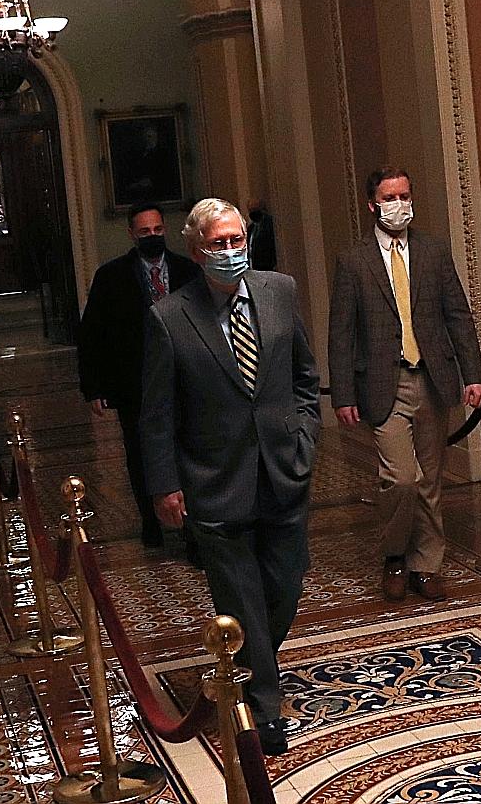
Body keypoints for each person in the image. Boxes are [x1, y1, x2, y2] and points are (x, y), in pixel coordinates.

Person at [140, 198, 320, 757]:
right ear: (197, 252)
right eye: (217, 244)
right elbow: (156, 414)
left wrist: (305, 437)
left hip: (283, 470)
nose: (230, 251)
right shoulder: (169, 316)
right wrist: (165, 485)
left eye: (237, 240)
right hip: (214, 482)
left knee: (285, 587)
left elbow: (304, 377)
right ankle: (264, 708)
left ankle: (251, 660)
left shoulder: (280, 291)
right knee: (240, 598)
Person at [328, 167, 481, 601]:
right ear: (372, 204)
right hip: (384, 382)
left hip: (433, 377)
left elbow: (458, 315)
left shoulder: (433, 251)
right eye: (389, 197)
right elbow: (341, 332)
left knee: (430, 480)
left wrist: (473, 374)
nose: (399, 204)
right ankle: (395, 555)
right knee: (401, 479)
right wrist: (342, 393)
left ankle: (426, 564)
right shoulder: (353, 260)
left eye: (404, 195)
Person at [77, 203, 200, 553]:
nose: (152, 236)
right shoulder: (111, 277)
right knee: (139, 452)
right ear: (132, 234)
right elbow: (92, 334)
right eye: (145, 232)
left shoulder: (188, 271)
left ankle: (192, 528)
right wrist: (94, 387)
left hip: (185, 380)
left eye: (157, 230)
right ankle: (151, 519)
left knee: (188, 450)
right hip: (135, 383)